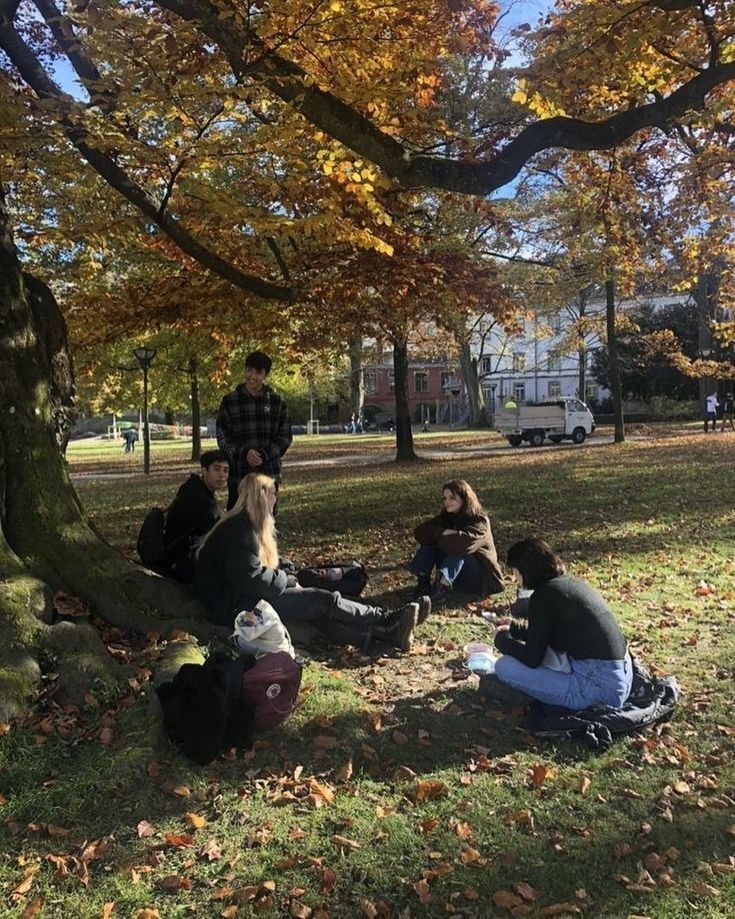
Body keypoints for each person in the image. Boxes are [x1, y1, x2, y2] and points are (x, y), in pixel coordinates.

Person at [195, 473, 431, 652]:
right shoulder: (239, 529)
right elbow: (251, 579)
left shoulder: (243, 525)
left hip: (241, 600)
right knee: (322, 600)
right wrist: (287, 580)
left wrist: (284, 570)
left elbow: (255, 569)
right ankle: (385, 618)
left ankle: (384, 635)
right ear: (262, 496)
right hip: (238, 608)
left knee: (316, 610)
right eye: (273, 494)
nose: (276, 499)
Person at [492, 538, 632, 711]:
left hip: (597, 688)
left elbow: (532, 658)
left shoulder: (542, 597)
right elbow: (551, 634)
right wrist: (515, 630)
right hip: (622, 678)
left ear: (525, 571)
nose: (515, 579)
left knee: (504, 666)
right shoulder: (569, 584)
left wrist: (501, 641)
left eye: (515, 572)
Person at [216, 351, 293, 510]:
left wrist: (264, 455)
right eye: (249, 370)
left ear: (265, 375)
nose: (252, 376)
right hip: (239, 476)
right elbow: (223, 437)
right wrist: (244, 453)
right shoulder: (230, 401)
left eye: (258, 372)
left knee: (266, 525)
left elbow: (284, 437)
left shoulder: (277, 402)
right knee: (238, 525)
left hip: (268, 475)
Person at [409, 480, 504, 602]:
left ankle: (441, 590)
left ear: (464, 499)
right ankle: (423, 583)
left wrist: (444, 536)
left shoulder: (479, 521)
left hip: (479, 580)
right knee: (430, 544)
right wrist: (444, 532)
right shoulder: (447, 517)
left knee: (458, 549)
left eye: (452, 498)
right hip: (457, 575)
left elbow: (463, 544)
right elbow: (420, 532)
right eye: (445, 498)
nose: (446, 502)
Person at [163, 450, 230, 582]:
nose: (222, 475)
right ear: (204, 471)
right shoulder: (198, 498)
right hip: (181, 562)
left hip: (185, 556)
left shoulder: (196, 488)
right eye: (216, 469)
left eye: (226, 470)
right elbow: (214, 535)